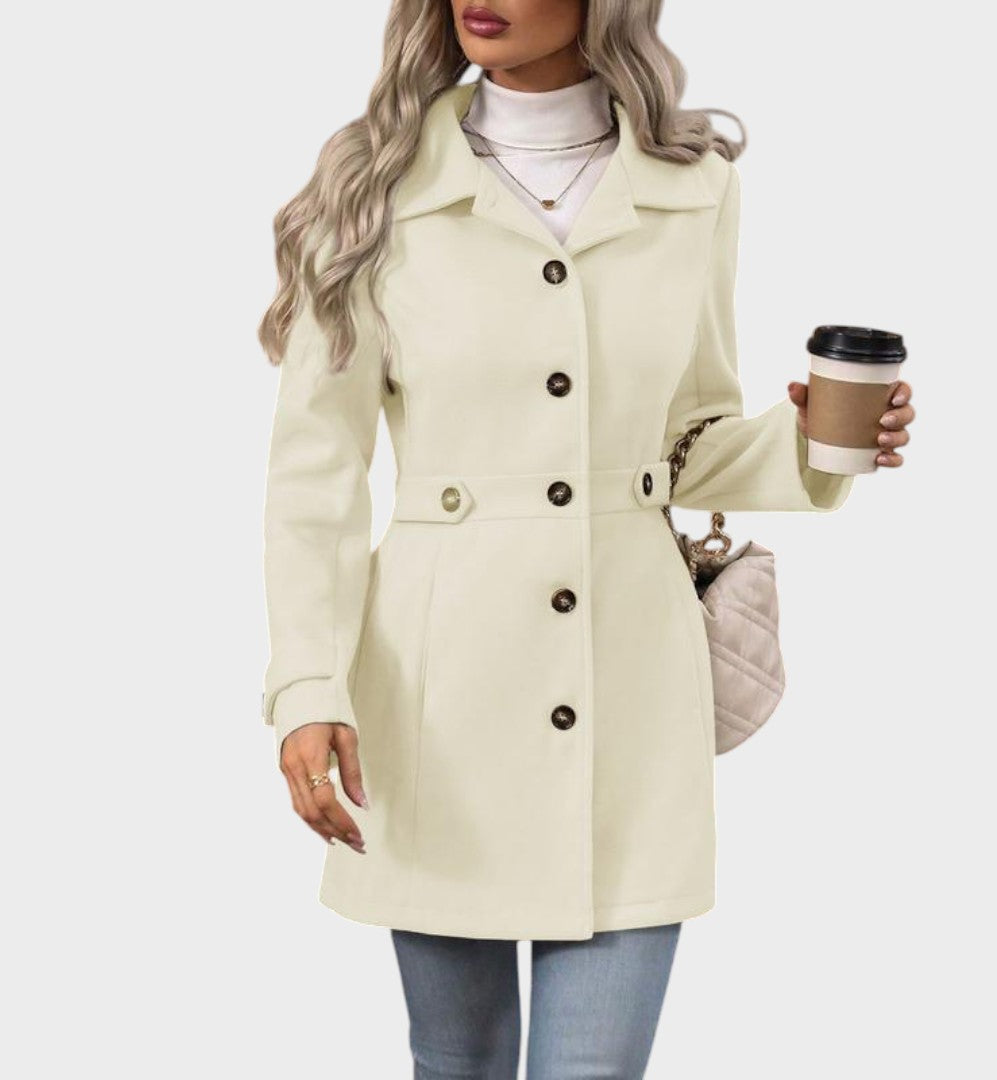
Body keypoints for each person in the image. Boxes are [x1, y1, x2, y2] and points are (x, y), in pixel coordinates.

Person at [256, 2, 916, 1076]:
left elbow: (688, 438)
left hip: (631, 693)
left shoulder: (694, 187)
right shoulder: (375, 182)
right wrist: (307, 686)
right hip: (438, 698)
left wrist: (815, 445)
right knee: (458, 1060)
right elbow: (314, 477)